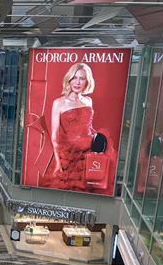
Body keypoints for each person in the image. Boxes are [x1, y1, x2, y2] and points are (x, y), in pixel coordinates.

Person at [42, 63, 113, 191]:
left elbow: (88, 126)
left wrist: (99, 142)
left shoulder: (88, 101)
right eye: (74, 78)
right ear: (69, 79)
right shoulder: (59, 103)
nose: (77, 82)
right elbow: (54, 137)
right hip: (69, 156)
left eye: (82, 78)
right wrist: (58, 162)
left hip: (89, 152)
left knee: (91, 187)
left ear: (87, 81)